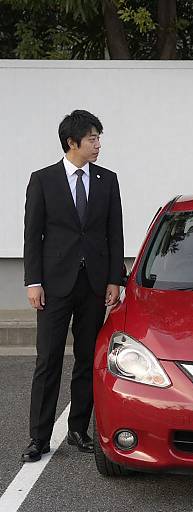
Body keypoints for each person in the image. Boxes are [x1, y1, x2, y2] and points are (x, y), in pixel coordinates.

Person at [22, 110, 124, 462]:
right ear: (72, 142)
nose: (98, 144)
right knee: (47, 360)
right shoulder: (43, 180)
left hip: (94, 285)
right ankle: (38, 437)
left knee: (86, 360)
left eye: (99, 138)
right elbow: (32, 235)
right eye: (92, 138)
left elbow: (114, 233)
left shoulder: (107, 180)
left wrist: (115, 278)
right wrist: (33, 282)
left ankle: (78, 430)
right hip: (53, 285)